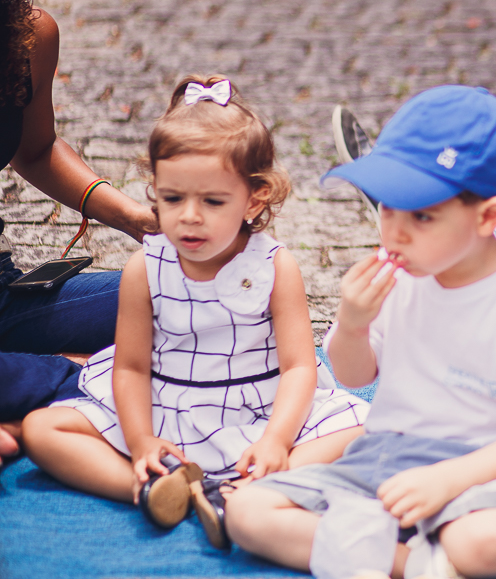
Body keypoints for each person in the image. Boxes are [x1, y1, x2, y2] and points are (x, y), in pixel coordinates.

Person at [223, 85, 496, 579]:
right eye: (388, 208)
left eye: (422, 216)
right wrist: (351, 322)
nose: (393, 232)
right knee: (246, 513)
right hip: (386, 455)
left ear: (487, 218)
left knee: (484, 547)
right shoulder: (402, 273)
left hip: (481, 469)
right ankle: (418, 565)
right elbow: (354, 375)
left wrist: (445, 481)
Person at [22, 76, 369, 548]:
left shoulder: (274, 265)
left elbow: (298, 367)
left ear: (255, 197)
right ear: (155, 191)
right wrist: (142, 441)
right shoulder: (146, 266)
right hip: (168, 411)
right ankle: (151, 488)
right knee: (44, 429)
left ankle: (245, 487)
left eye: (212, 201)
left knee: (366, 429)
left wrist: (276, 441)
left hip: (257, 411)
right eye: (173, 198)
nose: (189, 215)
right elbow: (131, 365)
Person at [0, 0, 157, 466]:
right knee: (143, 363)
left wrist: (133, 217)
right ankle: (79, 380)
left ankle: (51, 388)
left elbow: (36, 149)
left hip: (4, 298)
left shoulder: (26, 38)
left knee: (173, 297)